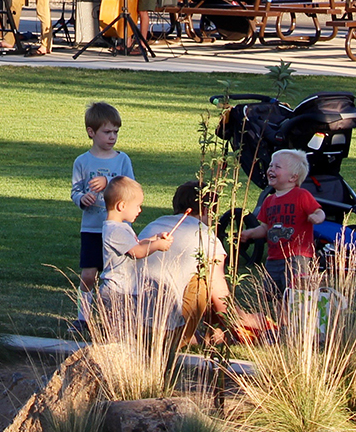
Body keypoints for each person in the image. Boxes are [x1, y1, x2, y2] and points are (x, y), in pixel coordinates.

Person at [138, 180, 238, 346]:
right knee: (203, 278)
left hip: (129, 318)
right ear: (207, 210)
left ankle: (189, 335)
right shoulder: (205, 235)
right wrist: (239, 322)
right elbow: (220, 295)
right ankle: (183, 336)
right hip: (165, 326)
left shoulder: (153, 226)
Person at [71, 102, 134, 321]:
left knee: (115, 277)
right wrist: (82, 198)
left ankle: (115, 320)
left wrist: (109, 181)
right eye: (107, 132)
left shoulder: (122, 159)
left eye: (115, 132)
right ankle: (83, 318)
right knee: (89, 275)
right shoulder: (82, 161)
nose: (112, 137)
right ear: (91, 132)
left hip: (118, 229)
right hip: (92, 228)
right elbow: (75, 191)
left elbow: (130, 188)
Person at [239, 148, 326, 297]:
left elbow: (318, 211)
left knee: (295, 293)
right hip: (273, 258)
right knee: (271, 294)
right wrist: (251, 233)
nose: (271, 169)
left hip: (297, 258)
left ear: (293, 177)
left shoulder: (301, 195)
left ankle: (292, 318)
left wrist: (318, 217)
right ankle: (280, 318)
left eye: (277, 167)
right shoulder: (269, 201)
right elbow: (265, 228)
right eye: (271, 166)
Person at [98, 176, 175, 319]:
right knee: (121, 330)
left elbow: (136, 245)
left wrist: (155, 238)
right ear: (122, 206)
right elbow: (137, 252)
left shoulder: (121, 227)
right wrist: (157, 245)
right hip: (117, 291)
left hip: (124, 289)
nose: (139, 210)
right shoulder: (115, 230)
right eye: (137, 206)